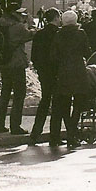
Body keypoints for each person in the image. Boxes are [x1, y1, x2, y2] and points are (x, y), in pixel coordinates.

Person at [50, 9, 91, 148]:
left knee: (64, 104)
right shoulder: (81, 33)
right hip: (78, 71)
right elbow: (87, 52)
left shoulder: (58, 35)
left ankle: (69, 133)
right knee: (78, 104)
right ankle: (72, 134)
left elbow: (53, 56)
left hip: (64, 72)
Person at [0, 3, 35, 135]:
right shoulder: (17, 27)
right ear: (13, 13)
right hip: (16, 64)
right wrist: (31, 23)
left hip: (4, 63)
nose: (21, 15)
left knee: (5, 94)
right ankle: (15, 126)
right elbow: (31, 35)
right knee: (19, 95)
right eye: (19, 13)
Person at [29, 8, 61, 145]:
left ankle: (35, 133)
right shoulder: (58, 34)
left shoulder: (39, 34)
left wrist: (40, 69)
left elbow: (34, 56)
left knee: (45, 101)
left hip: (44, 72)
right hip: (56, 72)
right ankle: (54, 137)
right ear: (56, 18)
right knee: (58, 103)